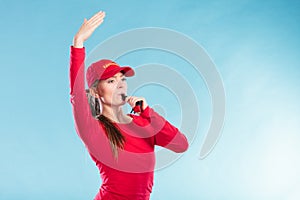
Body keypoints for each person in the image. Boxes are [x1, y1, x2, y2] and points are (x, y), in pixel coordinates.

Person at [69, 11, 189, 200]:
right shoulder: (94, 128)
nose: (120, 84)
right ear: (96, 92)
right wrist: (78, 43)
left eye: (122, 79)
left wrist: (149, 113)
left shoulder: (144, 122)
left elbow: (181, 145)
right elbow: (76, 92)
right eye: (110, 81)